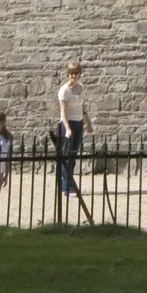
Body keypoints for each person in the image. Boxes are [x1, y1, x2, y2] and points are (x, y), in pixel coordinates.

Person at [55, 62, 91, 223]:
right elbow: (62, 111)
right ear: (67, 74)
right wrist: (67, 128)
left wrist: (88, 122)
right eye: (71, 74)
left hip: (78, 122)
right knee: (66, 155)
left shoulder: (81, 88)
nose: (74, 76)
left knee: (73, 155)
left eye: (76, 73)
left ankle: (68, 183)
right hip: (67, 123)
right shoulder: (64, 90)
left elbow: (83, 107)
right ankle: (66, 186)